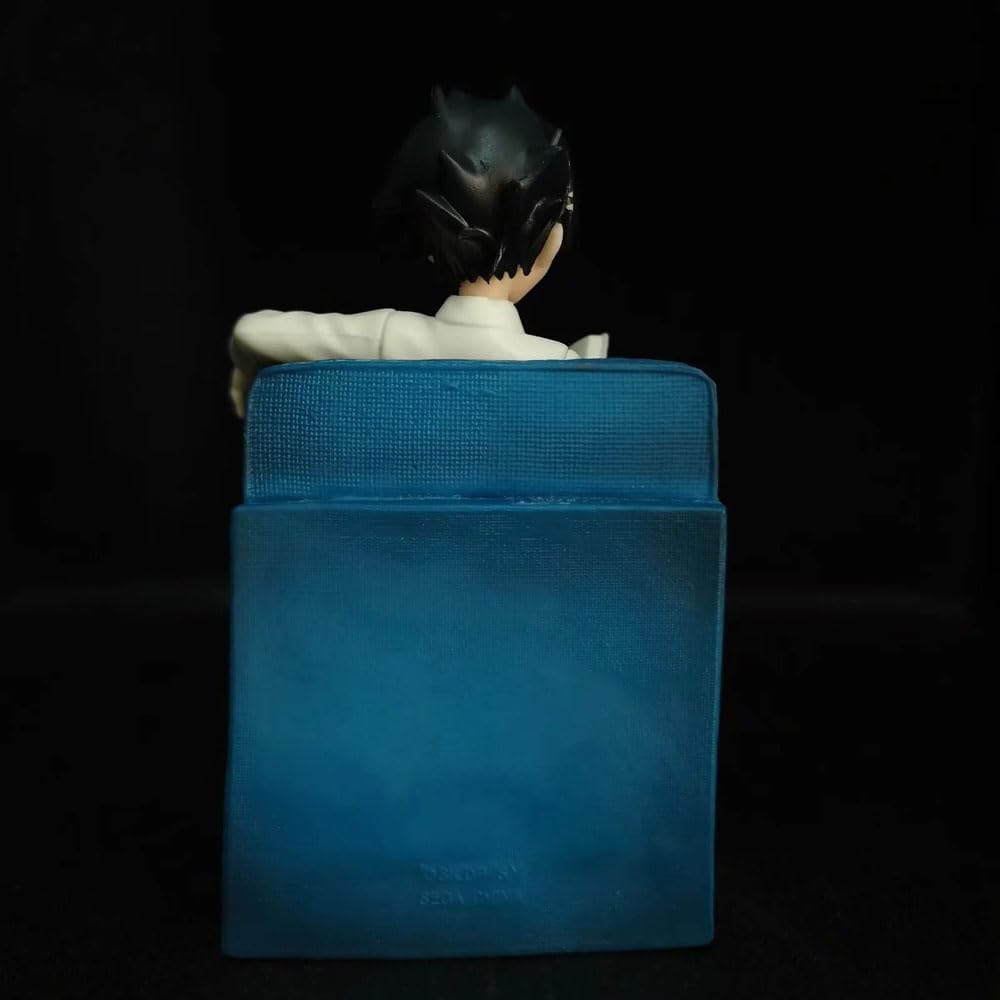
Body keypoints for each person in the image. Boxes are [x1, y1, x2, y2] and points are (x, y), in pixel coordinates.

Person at [228, 86, 609, 417]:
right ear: (550, 241)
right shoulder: (564, 368)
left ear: (428, 241)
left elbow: (252, 331)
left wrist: (249, 373)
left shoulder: (389, 335)